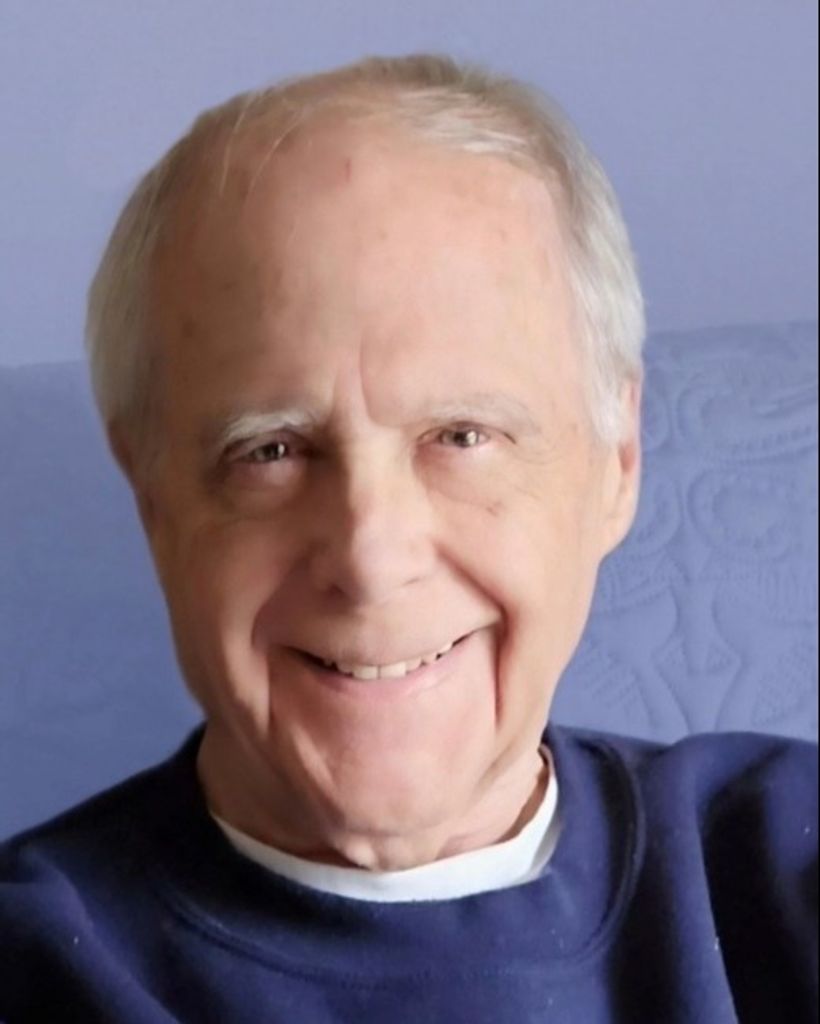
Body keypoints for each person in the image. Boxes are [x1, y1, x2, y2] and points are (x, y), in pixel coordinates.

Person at [1, 54, 816, 1023]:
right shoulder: (34, 967)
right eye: (271, 451)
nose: (371, 558)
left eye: (461, 437)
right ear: (154, 498)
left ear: (618, 462)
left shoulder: (784, 862)